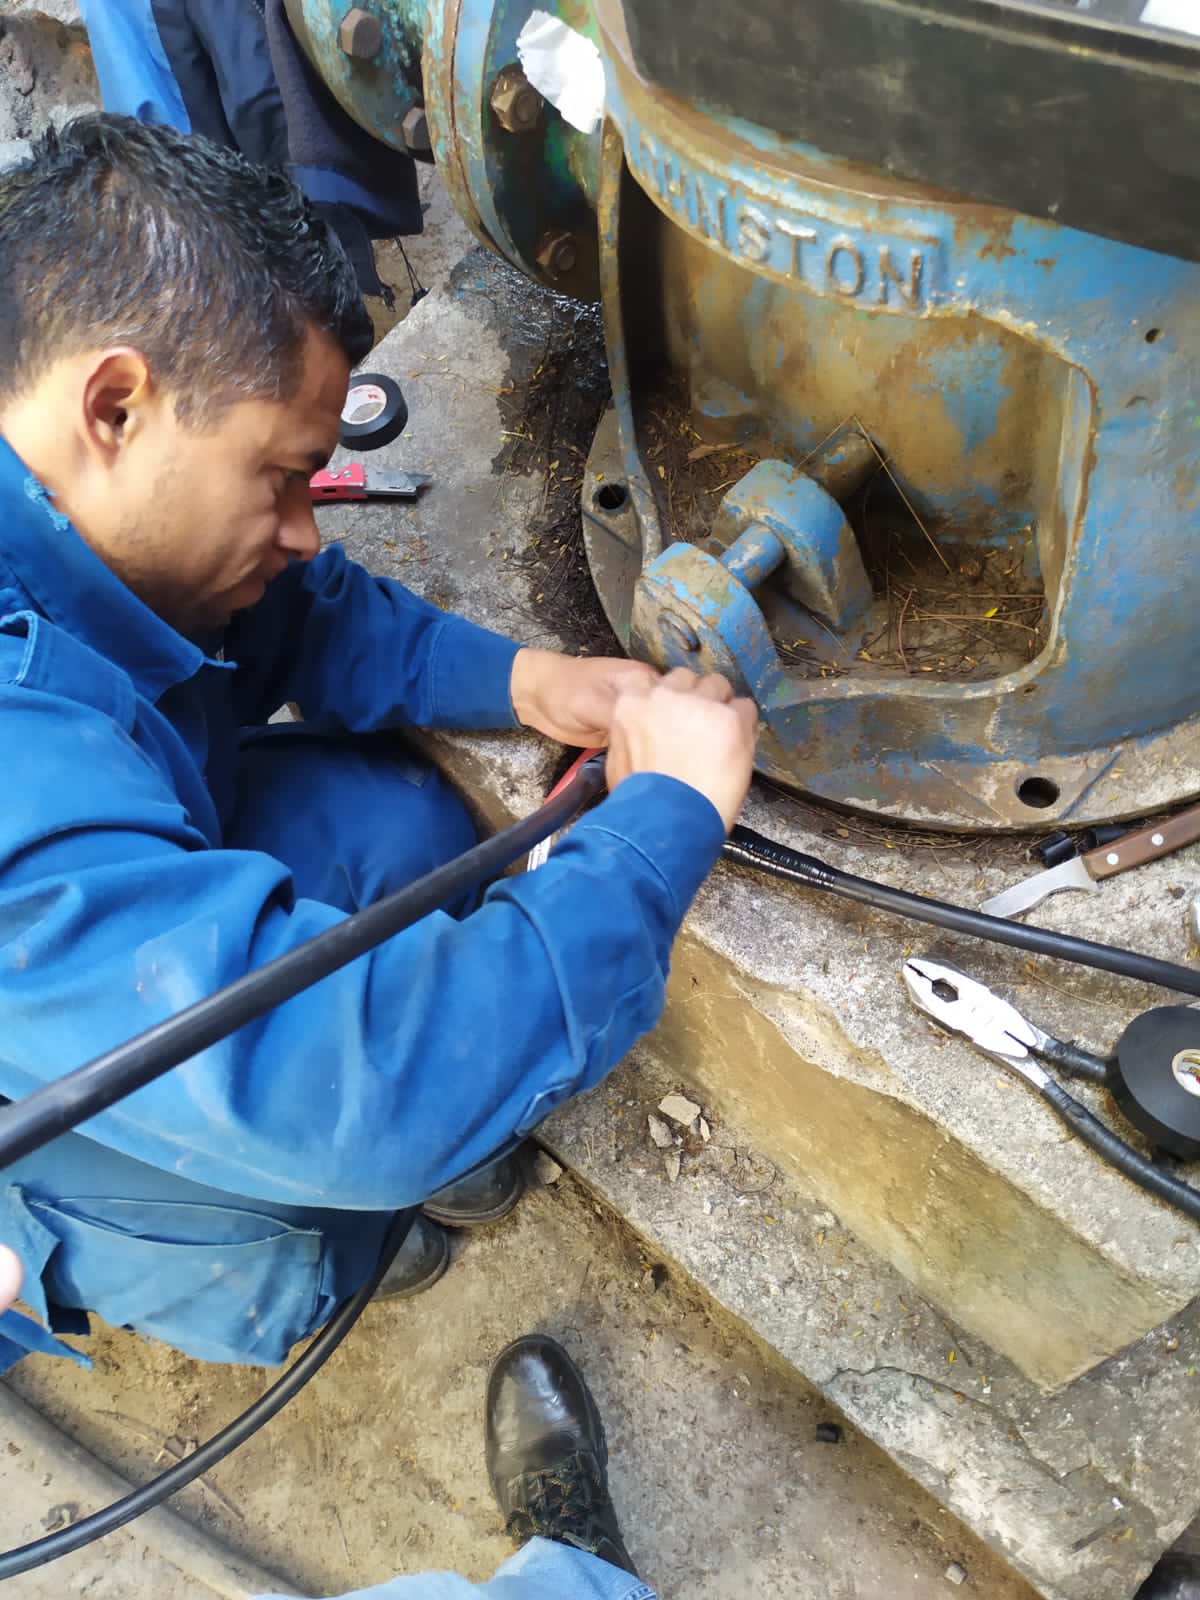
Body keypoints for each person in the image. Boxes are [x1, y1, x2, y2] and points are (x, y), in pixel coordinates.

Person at [0, 114, 757, 1375]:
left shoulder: (66, 491)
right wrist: (661, 820)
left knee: (404, 832)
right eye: (284, 475)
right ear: (116, 403)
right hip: (31, 1090)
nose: (307, 528)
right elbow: (365, 1084)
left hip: (108, 862)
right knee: (314, 1202)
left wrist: (523, 677)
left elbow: (289, 613)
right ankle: (274, 1261)